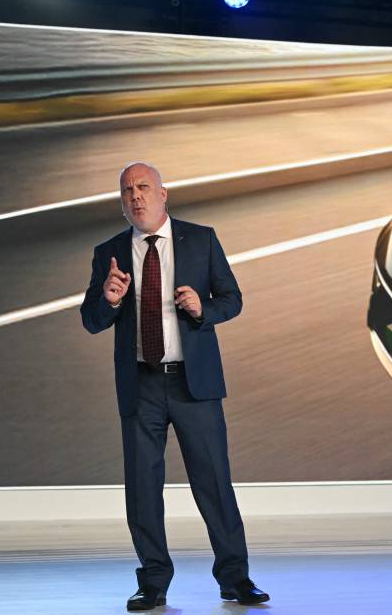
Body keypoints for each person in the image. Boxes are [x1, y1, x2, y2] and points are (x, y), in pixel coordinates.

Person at [80, 162, 269, 611]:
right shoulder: (108, 251)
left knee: (214, 484)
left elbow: (232, 299)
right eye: (127, 191)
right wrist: (108, 300)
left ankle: (235, 579)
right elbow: (91, 320)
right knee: (142, 489)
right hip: (140, 385)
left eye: (144, 187)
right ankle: (153, 583)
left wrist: (201, 307)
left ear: (165, 194)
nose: (136, 196)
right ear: (122, 202)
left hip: (193, 384)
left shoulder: (200, 239)